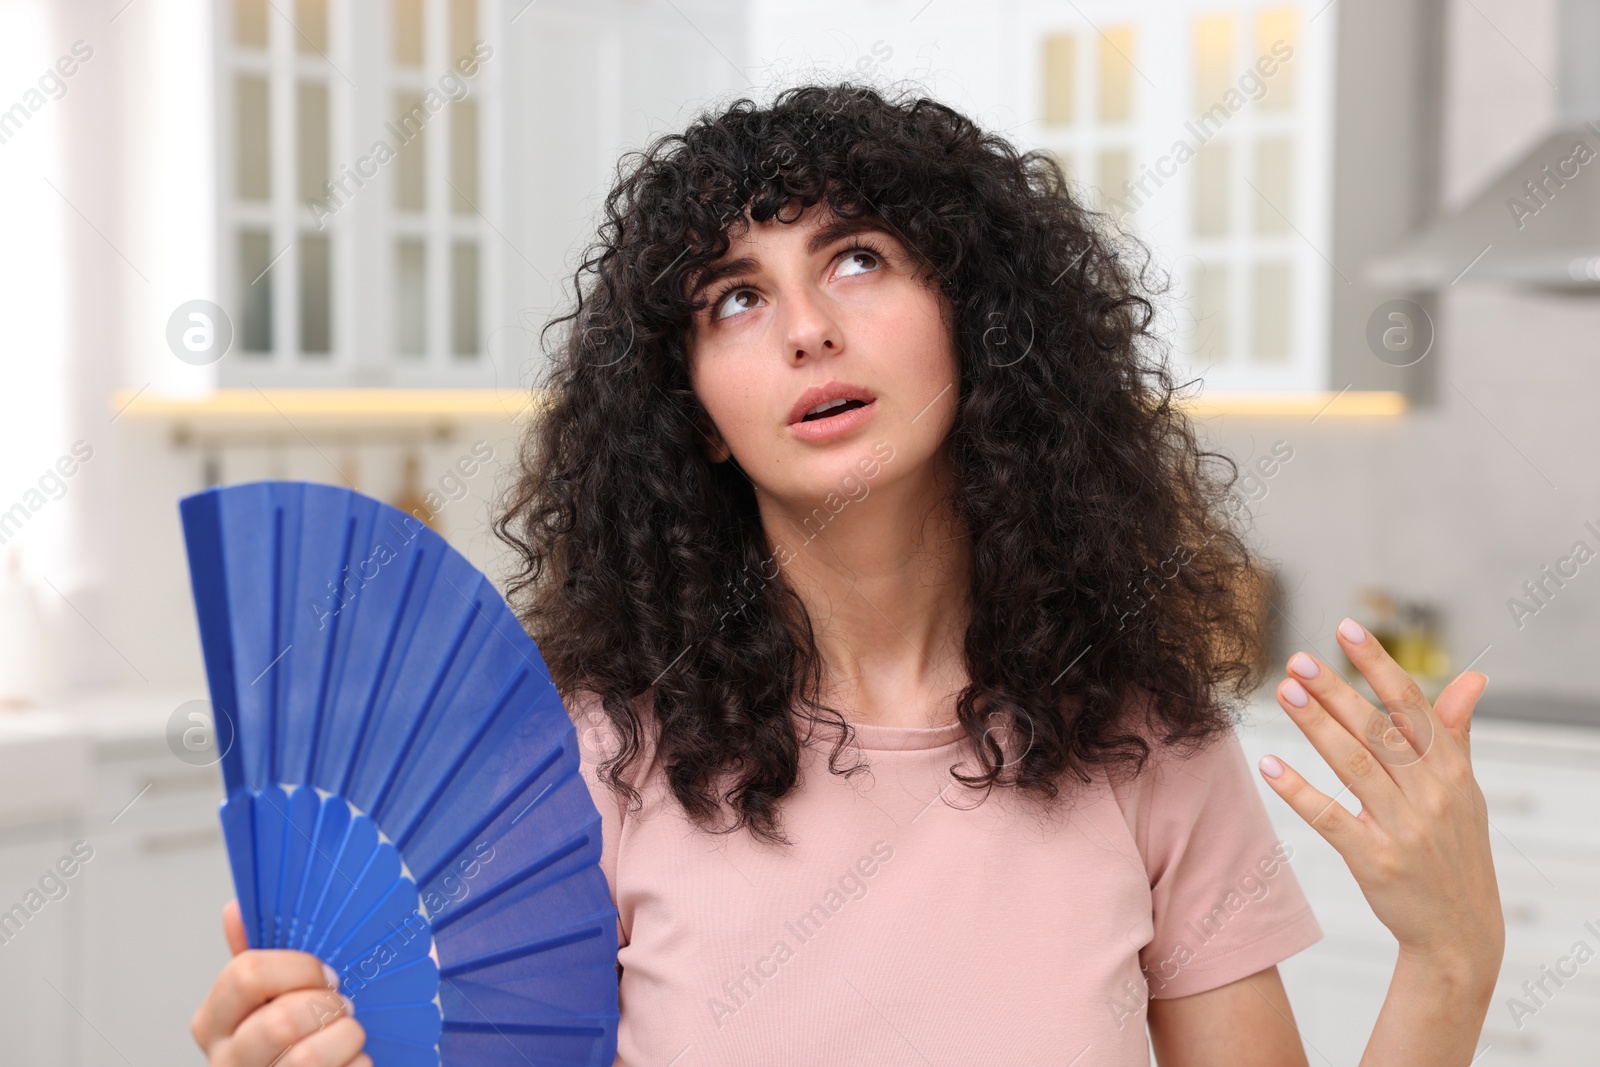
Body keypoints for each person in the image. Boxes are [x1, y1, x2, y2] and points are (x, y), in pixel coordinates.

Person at [191, 82, 1504, 1066]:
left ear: (979, 329)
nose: (807, 325)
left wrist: (1450, 961)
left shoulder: (1145, 745)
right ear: (697, 407)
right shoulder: (587, 762)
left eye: (858, 260)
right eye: (734, 298)